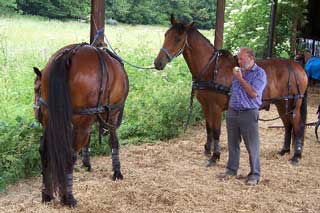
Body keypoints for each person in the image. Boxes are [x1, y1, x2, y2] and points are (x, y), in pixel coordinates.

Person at [217, 47, 267, 186]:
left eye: (241, 58)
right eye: (238, 58)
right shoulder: (238, 71)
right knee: (233, 143)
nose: (238, 61)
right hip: (233, 111)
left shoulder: (260, 74)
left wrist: (240, 79)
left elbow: (253, 93)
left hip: (249, 112)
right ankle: (231, 169)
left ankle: (255, 174)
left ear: (251, 58)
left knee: (252, 145)